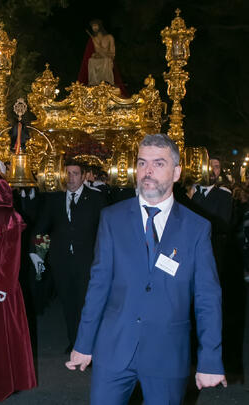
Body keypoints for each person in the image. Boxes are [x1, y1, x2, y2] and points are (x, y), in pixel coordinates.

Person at [66, 134, 226, 405]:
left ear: (176, 172)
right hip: (113, 350)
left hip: (167, 355)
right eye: (142, 163)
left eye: (158, 164)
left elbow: (207, 299)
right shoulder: (112, 218)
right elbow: (98, 285)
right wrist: (83, 343)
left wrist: (210, 358)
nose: (147, 171)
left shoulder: (197, 228)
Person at [30, 159, 105, 353]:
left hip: (87, 262)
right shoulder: (54, 199)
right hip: (61, 263)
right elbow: (41, 229)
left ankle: (88, 345)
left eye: (75, 173)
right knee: (69, 305)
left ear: (83, 176)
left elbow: (105, 232)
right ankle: (74, 342)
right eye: (68, 173)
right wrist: (38, 255)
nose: (71, 178)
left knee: (85, 305)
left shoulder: (96, 199)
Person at [0, 173, 36, 402]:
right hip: (0, 287)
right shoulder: (10, 217)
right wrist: (0, 286)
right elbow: (11, 258)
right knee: (0, 338)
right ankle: (3, 383)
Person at [78, 19, 127, 96]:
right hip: (100, 57)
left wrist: (106, 54)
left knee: (106, 60)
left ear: (100, 26)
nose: (94, 28)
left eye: (95, 25)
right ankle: (93, 83)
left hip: (108, 57)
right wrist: (96, 54)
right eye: (93, 26)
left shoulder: (109, 37)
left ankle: (106, 82)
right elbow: (97, 51)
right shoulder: (94, 39)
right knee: (91, 60)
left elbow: (112, 52)